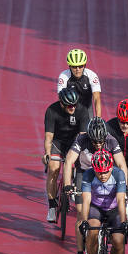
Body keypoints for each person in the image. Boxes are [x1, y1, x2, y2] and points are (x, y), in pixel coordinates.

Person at [64, 117, 127, 254]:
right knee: (80, 212)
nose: (98, 145)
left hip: (105, 171)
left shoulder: (111, 141)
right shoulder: (81, 139)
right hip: (85, 172)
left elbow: (121, 164)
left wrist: (123, 185)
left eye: (100, 142)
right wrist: (67, 184)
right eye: (94, 142)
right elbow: (68, 161)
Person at [78, 149, 128, 254]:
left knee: (118, 240)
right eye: (99, 172)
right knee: (92, 230)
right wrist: (83, 221)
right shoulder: (88, 175)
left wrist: (124, 222)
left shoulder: (119, 174)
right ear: (93, 169)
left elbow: (120, 199)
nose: (102, 175)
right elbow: (86, 199)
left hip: (114, 209)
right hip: (96, 208)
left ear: (111, 167)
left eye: (106, 171)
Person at [42, 88, 88, 222]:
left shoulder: (82, 111)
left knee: (79, 163)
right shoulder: (52, 110)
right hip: (58, 142)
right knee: (54, 168)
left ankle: (73, 183)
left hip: (75, 142)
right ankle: (51, 207)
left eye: (74, 104)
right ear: (61, 103)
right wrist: (47, 153)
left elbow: (83, 137)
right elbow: (48, 137)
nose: (72, 107)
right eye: (69, 105)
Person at [57, 48, 102, 118]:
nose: (77, 69)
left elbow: (96, 98)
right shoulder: (63, 76)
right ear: (69, 66)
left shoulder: (92, 75)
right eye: (74, 67)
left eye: (80, 66)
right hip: (69, 108)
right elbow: (61, 99)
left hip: (86, 108)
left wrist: (98, 118)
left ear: (84, 65)